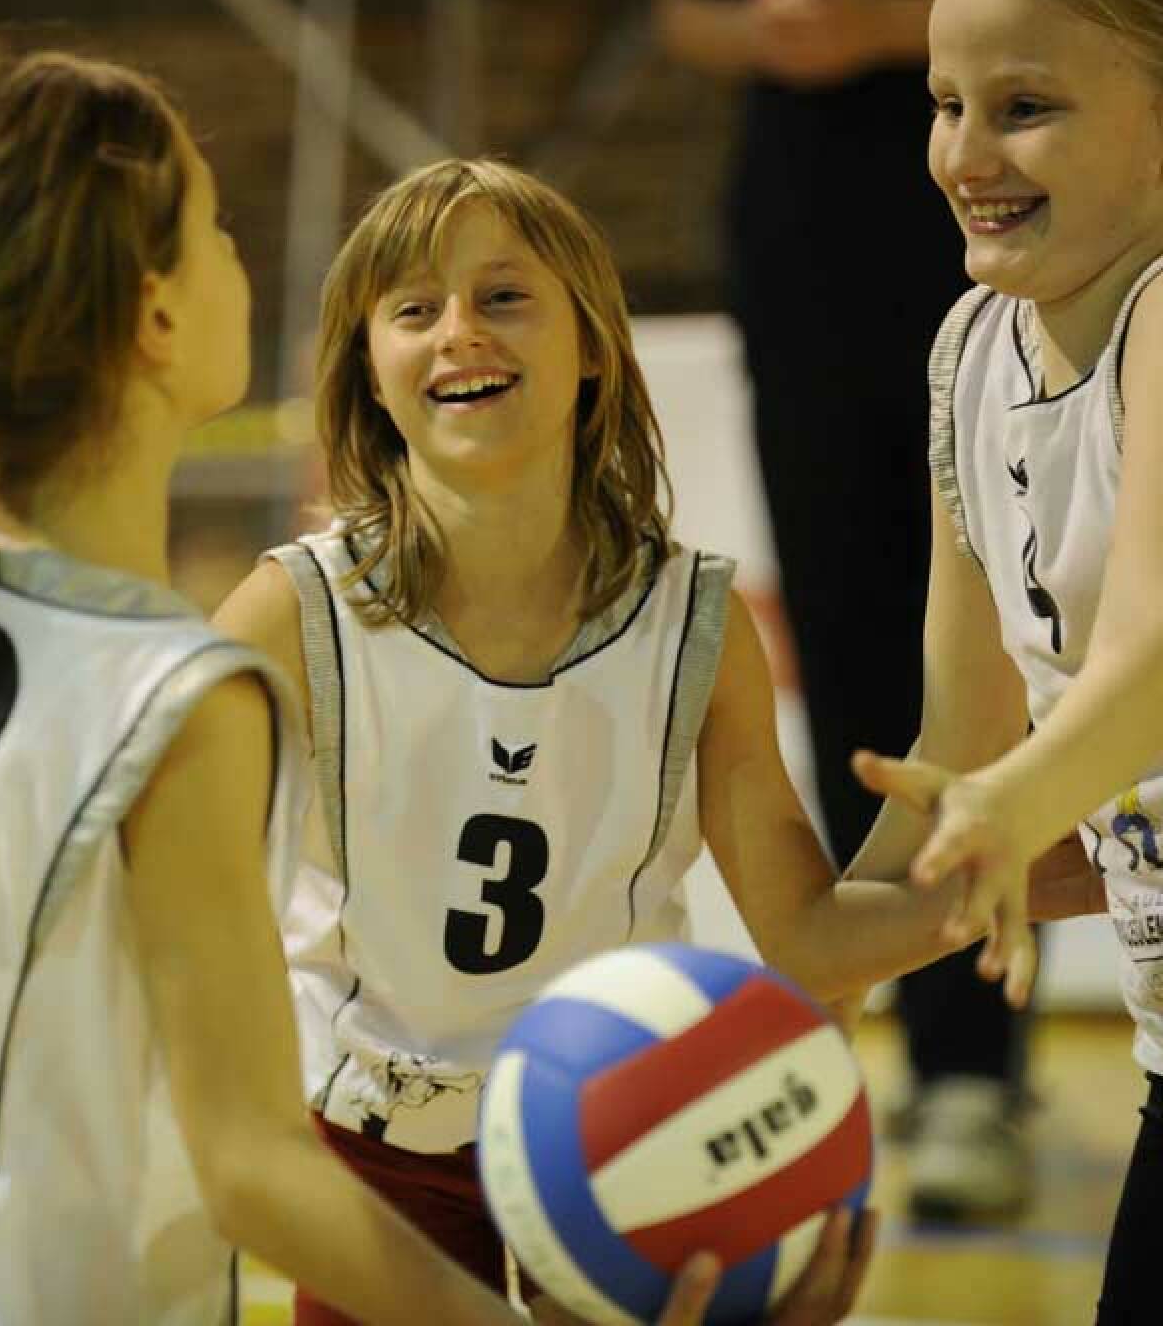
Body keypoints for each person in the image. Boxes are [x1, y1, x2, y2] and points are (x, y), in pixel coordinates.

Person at [0, 41, 872, 1326]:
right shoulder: (172, 692)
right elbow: (253, 1166)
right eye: (215, 228)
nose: (245, 255)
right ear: (157, 316)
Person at [212, 155, 1100, 1326]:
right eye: (414, 310)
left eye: (504, 296)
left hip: (623, 1141)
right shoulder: (290, 614)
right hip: (373, 1152)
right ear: (367, 372)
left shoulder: (693, 623)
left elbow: (805, 937)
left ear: (593, 344)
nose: (460, 331)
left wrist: (997, 886)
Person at [654, 0, 1035, 1221]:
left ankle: (972, 1062)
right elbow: (684, 13)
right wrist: (765, 35)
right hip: (800, 245)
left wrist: (885, 31)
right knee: (847, 653)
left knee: (992, 662)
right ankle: (876, 1022)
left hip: (962, 247)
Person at [843, 0, 1163, 1319]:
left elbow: (1150, 667)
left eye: (1024, 108)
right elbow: (960, 746)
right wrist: (784, 992)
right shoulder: (971, 350)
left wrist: (1017, 809)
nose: (965, 154)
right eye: (945, 104)